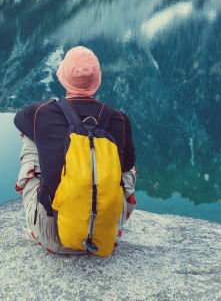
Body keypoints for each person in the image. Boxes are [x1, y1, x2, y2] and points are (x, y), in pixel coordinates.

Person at [13, 46, 137, 254]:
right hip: (104, 236)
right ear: (98, 80)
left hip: (53, 237)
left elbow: (19, 120)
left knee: (30, 135)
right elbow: (126, 166)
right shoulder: (119, 118)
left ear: (62, 78)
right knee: (127, 166)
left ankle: (43, 218)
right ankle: (108, 222)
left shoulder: (41, 112)